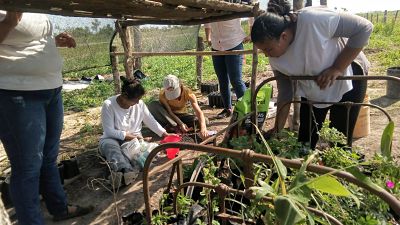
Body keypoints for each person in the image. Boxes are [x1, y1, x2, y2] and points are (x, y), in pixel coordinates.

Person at [0, 11, 93, 224]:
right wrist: (8, 22)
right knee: (27, 166)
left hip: (52, 89)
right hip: (16, 92)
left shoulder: (35, 6)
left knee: (49, 158)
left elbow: (26, 39)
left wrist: (53, 42)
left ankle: (59, 208)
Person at [251, 0, 372, 149]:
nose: (265, 55)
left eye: (268, 49)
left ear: (283, 36)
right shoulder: (276, 58)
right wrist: (277, 130)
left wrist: (337, 68)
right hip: (313, 90)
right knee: (305, 142)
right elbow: (285, 93)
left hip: (349, 76)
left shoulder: (313, 21)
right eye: (262, 50)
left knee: (339, 141)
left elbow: (364, 28)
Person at [99, 77, 176, 187]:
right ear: (125, 96)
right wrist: (134, 138)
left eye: (139, 100)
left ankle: (120, 174)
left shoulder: (139, 104)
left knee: (139, 154)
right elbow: (109, 131)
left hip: (133, 141)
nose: (137, 103)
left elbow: (150, 120)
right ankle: (126, 171)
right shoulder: (109, 105)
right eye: (135, 100)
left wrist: (165, 134)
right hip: (112, 139)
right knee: (111, 147)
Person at [204, 18, 253, 118]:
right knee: (222, 80)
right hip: (216, 45)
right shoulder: (209, 6)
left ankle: (247, 111)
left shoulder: (231, 2)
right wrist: (208, 37)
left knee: (236, 80)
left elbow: (250, 12)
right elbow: (206, 19)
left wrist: (251, 33)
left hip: (233, 43)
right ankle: (228, 109)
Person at [148, 75, 210, 140]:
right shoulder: (162, 95)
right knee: (153, 104)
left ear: (180, 85)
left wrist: (203, 128)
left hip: (182, 115)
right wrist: (181, 124)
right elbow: (170, 112)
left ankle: (172, 128)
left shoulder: (188, 93)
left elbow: (198, 112)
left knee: (205, 121)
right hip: (168, 117)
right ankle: (174, 127)